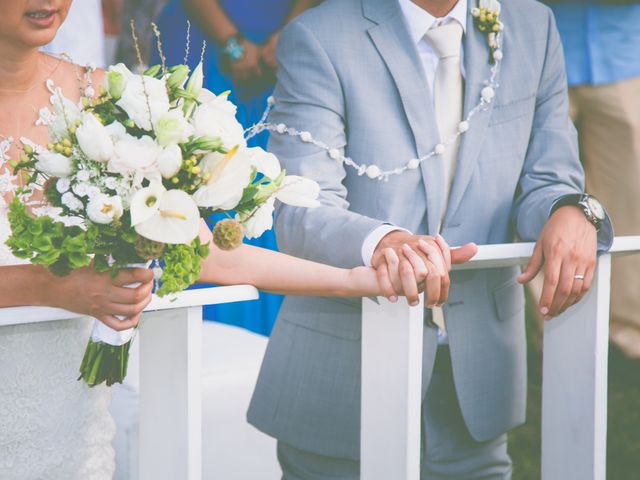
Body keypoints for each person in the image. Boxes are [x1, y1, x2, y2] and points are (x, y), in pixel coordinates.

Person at [0, 1, 458, 477]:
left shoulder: (105, 98)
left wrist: (355, 279)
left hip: (70, 431)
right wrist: (51, 289)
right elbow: (59, 284)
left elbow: (202, 251)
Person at [247, 0, 614, 477]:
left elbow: (547, 179)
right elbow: (299, 208)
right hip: (344, 372)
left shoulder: (533, 25)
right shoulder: (318, 35)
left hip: (477, 378)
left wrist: (570, 208)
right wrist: (383, 241)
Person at [153, 0, 316, 335]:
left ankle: (270, 334)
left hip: (293, 37)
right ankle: (196, 335)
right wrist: (230, 41)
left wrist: (291, 31)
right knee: (194, 175)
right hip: (202, 35)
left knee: (271, 187)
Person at [547, 1, 640, 360]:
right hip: (540, 57)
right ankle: (554, 336)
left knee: (630, 200)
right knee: (539, 196)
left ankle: (627, 333)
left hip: (625, 59)